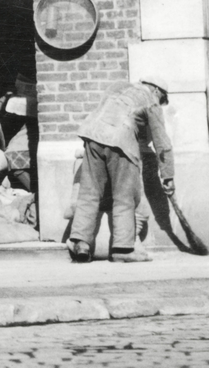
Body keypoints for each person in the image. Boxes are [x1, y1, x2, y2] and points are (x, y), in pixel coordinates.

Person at [68, 80, 175, 263]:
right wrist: (168, 175)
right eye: (162, 98)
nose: (160, 101)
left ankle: (81, 243)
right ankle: (123, 249)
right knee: (125, 196)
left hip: (92, 136)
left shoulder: (118, 86)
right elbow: (162, 143)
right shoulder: (151, 99)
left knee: (89, 192)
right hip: (121, 142)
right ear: (157, 90)